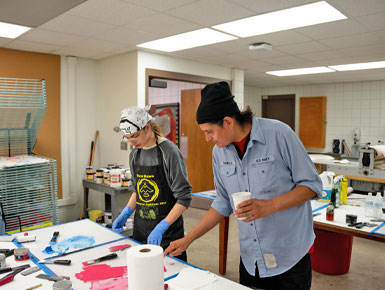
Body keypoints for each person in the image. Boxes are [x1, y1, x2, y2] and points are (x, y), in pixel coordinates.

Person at [165, 82, 322, 289]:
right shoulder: (219, 153)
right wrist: (188, 239)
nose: (207, 138)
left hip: (289, 256)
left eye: (209, 131)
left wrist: (269, 205)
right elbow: (222, 202)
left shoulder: (279, 134)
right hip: (252, 258)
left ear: (228, 122)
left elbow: (312, 185)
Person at [113, 106, 192, 261]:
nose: (131, 141)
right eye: (127, 137)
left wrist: (162, 226)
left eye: (135, 136)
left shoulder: (169, 152)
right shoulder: (135, 154)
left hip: (167, 232)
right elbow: (138, 190)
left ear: (147, 127)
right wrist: (126, 213)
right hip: (141, 229)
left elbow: (184, 198)